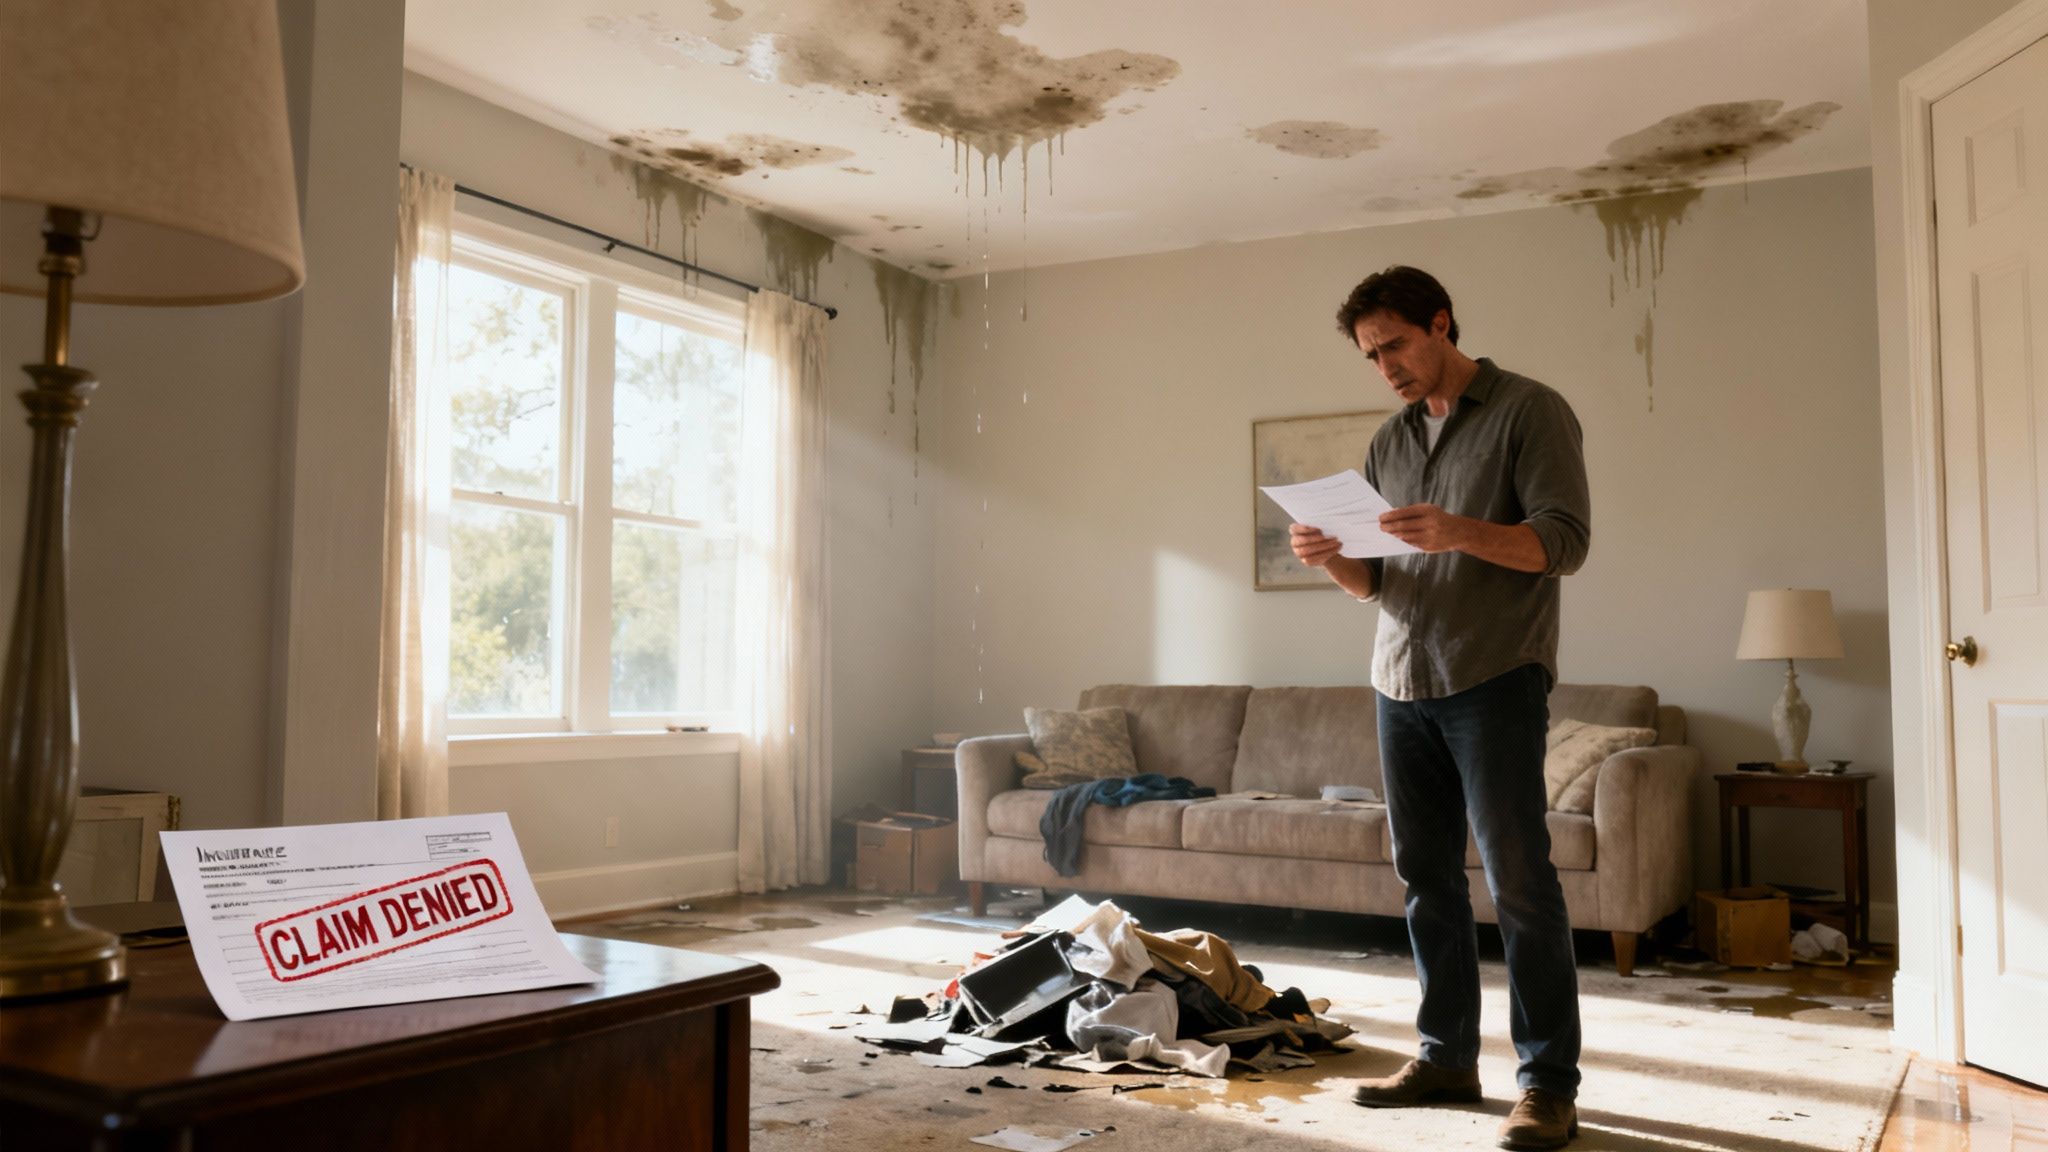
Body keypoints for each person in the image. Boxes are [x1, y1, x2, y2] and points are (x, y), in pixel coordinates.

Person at [1290, 265, 1591, 1151]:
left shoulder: (1530, 410)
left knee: (1520, 884)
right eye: (1370, 355)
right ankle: (1446, 1056)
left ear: (1442, 323)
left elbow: (1565, 544)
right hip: (1399, 681)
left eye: (1395, 346)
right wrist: (1328, 558)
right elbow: (1376, 584)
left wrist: (1461, 529)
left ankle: (1547, 1086)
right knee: (1425, 880)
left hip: (1495, 676)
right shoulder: (1387, 441)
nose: (1385, 367)